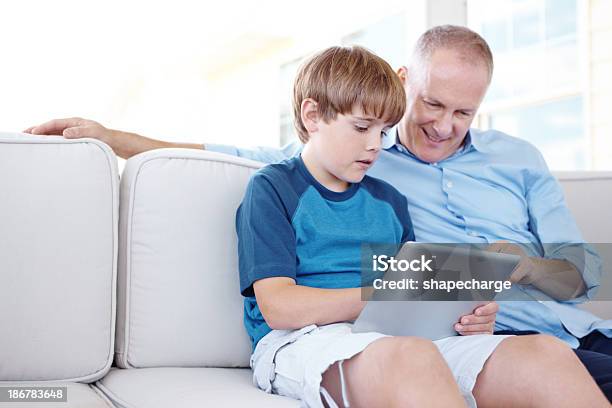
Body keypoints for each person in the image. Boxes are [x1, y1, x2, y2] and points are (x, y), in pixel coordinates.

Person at [25, 26, 612, 401]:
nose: (444, 125)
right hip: (350, 335)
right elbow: (244, 162)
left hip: (554, 331)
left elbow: (584, 276)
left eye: (465, 112)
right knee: (410, 356)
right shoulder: (308, 175)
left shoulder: (495, 166)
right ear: (407, 84)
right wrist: (113, 137)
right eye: (432, 103)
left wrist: (517, 273)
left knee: (546, 356)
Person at [235, 44, 607, 407]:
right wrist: (384, 293)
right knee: (411, 357)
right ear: (312, 116)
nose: (375, 146)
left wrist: (467, 315)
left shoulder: (390, 201)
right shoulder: (273, 187)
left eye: (382, 132)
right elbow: (280, 307)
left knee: (545, 354)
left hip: (395, 335)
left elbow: (414, 298)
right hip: (303, 339)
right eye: (362, 128)